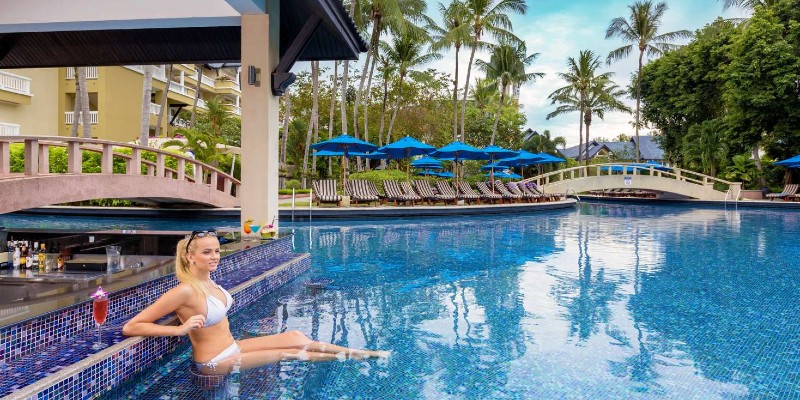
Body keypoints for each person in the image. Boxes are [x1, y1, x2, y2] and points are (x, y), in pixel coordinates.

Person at [123, 229, 388, 374]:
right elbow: (132, 326)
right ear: (190, 258)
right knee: (290, 352)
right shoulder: (185, 291)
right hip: (213, 363)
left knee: (294, 335)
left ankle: (363, 353)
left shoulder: (210, 281)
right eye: (207, 252)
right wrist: (178, 330)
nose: (214, 256)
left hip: (233, 347)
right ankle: (354, 358)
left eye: (216, 250)